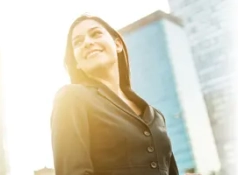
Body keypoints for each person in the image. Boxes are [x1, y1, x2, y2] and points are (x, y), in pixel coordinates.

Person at [50, 13, 180, 175]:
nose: (88, 43)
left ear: (118, 44)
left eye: (96, 34)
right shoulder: (71, 98)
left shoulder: (156, 116)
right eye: (78, 42)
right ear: (77, 63)